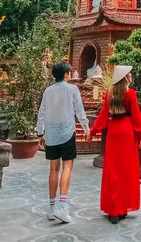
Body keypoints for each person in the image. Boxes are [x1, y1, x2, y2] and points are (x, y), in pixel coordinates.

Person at [87, 65, 141, 224]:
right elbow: (137, 118)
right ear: (125, 77)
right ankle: (122, 208)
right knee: (126, 172)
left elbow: (102, 116)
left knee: (113, 172)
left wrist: (92, 132)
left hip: (114, 132)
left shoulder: (109, 93)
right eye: (129, 73)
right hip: (127, 133)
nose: (131, 75)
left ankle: (114, 210)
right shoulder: (131, 95)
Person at [35, 61, 89, 223]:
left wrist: (40, 132)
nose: (71, 74)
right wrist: (86, 127)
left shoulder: (48, 91)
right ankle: (63, 207)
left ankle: (52, 209)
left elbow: (42, 111)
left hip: (51, 133)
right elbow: (79, 110)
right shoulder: (72, 89)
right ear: (65, 74)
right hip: (66, 132)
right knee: (67, 167)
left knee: (53, 169)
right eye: (70, 72)